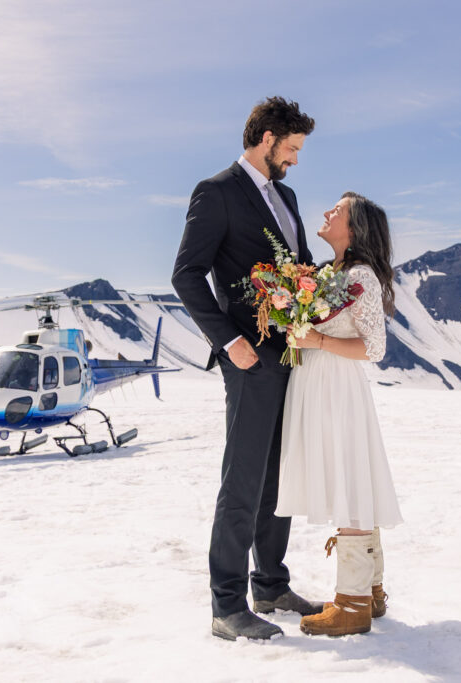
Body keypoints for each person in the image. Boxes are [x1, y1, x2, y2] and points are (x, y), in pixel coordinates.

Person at [171, 96, 323, 641]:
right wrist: (230, 340)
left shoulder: (287, 195)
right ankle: (227, 606)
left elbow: (298, 268)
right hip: (249, 357)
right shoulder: (215, 193)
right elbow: (186, 275)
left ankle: (271, 584)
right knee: (243, 478)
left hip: (291, 355)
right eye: (292, 148)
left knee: (279, 477)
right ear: (266, 139)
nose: (296, 160)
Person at [274, 191, 404, 637]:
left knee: (348, 478)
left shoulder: (360, 276)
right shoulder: (335, 273)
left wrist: (318, 342)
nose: (328, 212)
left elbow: (375, 348)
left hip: (337, 388)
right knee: (348, 477)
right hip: (322, 384)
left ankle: (352, 605)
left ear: (354, 228)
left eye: (338, 210)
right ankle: (370, 590)